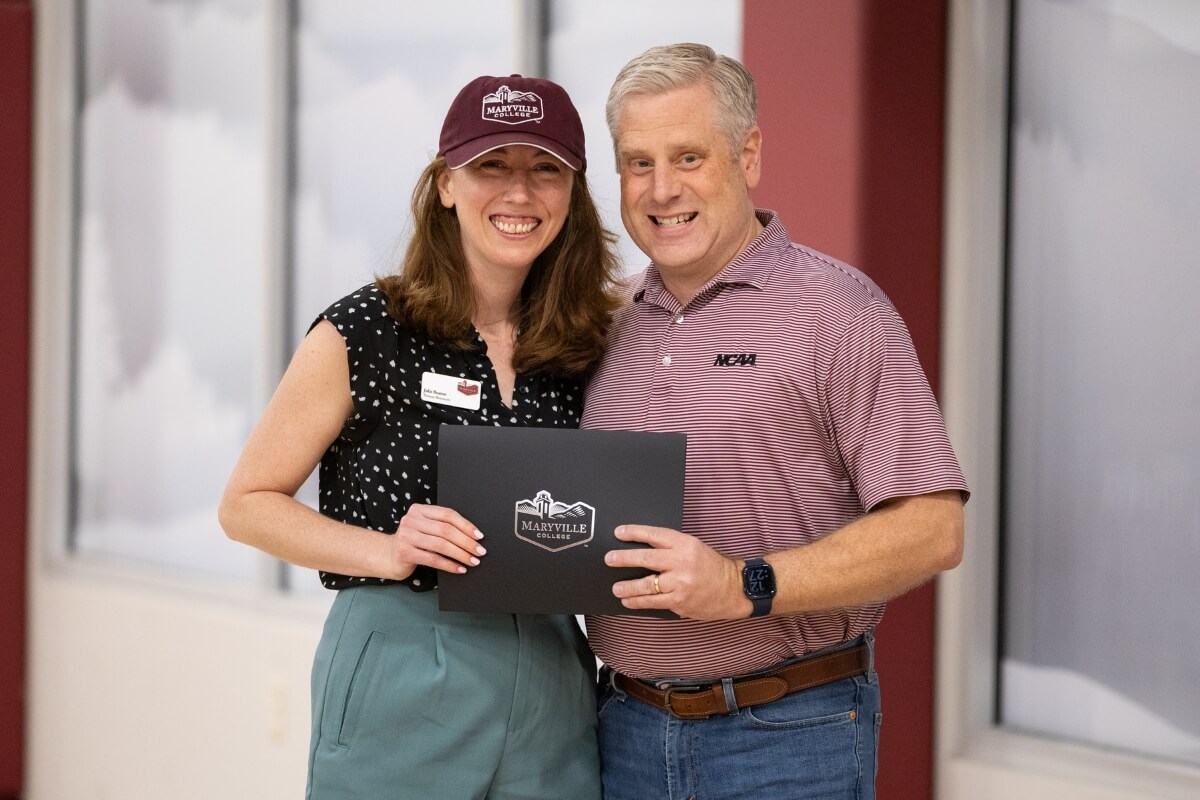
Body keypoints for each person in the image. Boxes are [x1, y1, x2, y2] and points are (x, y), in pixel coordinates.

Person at [582, 43, 970, 799]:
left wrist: (746, 583)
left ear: (748, 153)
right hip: (619, 732)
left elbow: (933, 527)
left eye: (689, 157)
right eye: (638, 163)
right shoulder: (604, 325)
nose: (662, 190)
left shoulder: (840, 313)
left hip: (790, 736)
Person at [218, 74, 620, 800]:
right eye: (491, 166)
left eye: (545, 169)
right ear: (445, 184)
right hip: (402, 659)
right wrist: (387, 550)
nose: (519, 194)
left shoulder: (586, 342)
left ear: (574, 192)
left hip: (554, 678)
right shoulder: (366, 330)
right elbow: (246, 503)